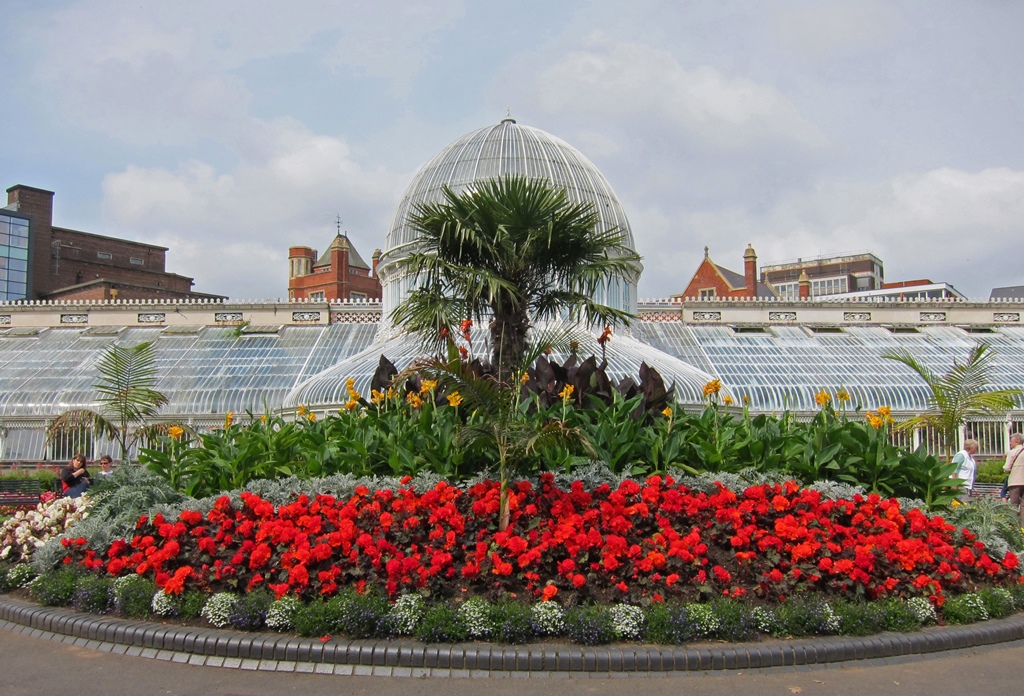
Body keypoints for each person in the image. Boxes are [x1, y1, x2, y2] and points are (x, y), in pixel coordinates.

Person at [1003, 433, 1024, 521]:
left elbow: (1007, 468)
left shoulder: (1012, 452)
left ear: (1017, 441)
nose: (1010, 443)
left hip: (1015, 481)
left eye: (1011, 441)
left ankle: (1013, 526)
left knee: (1013, 505)